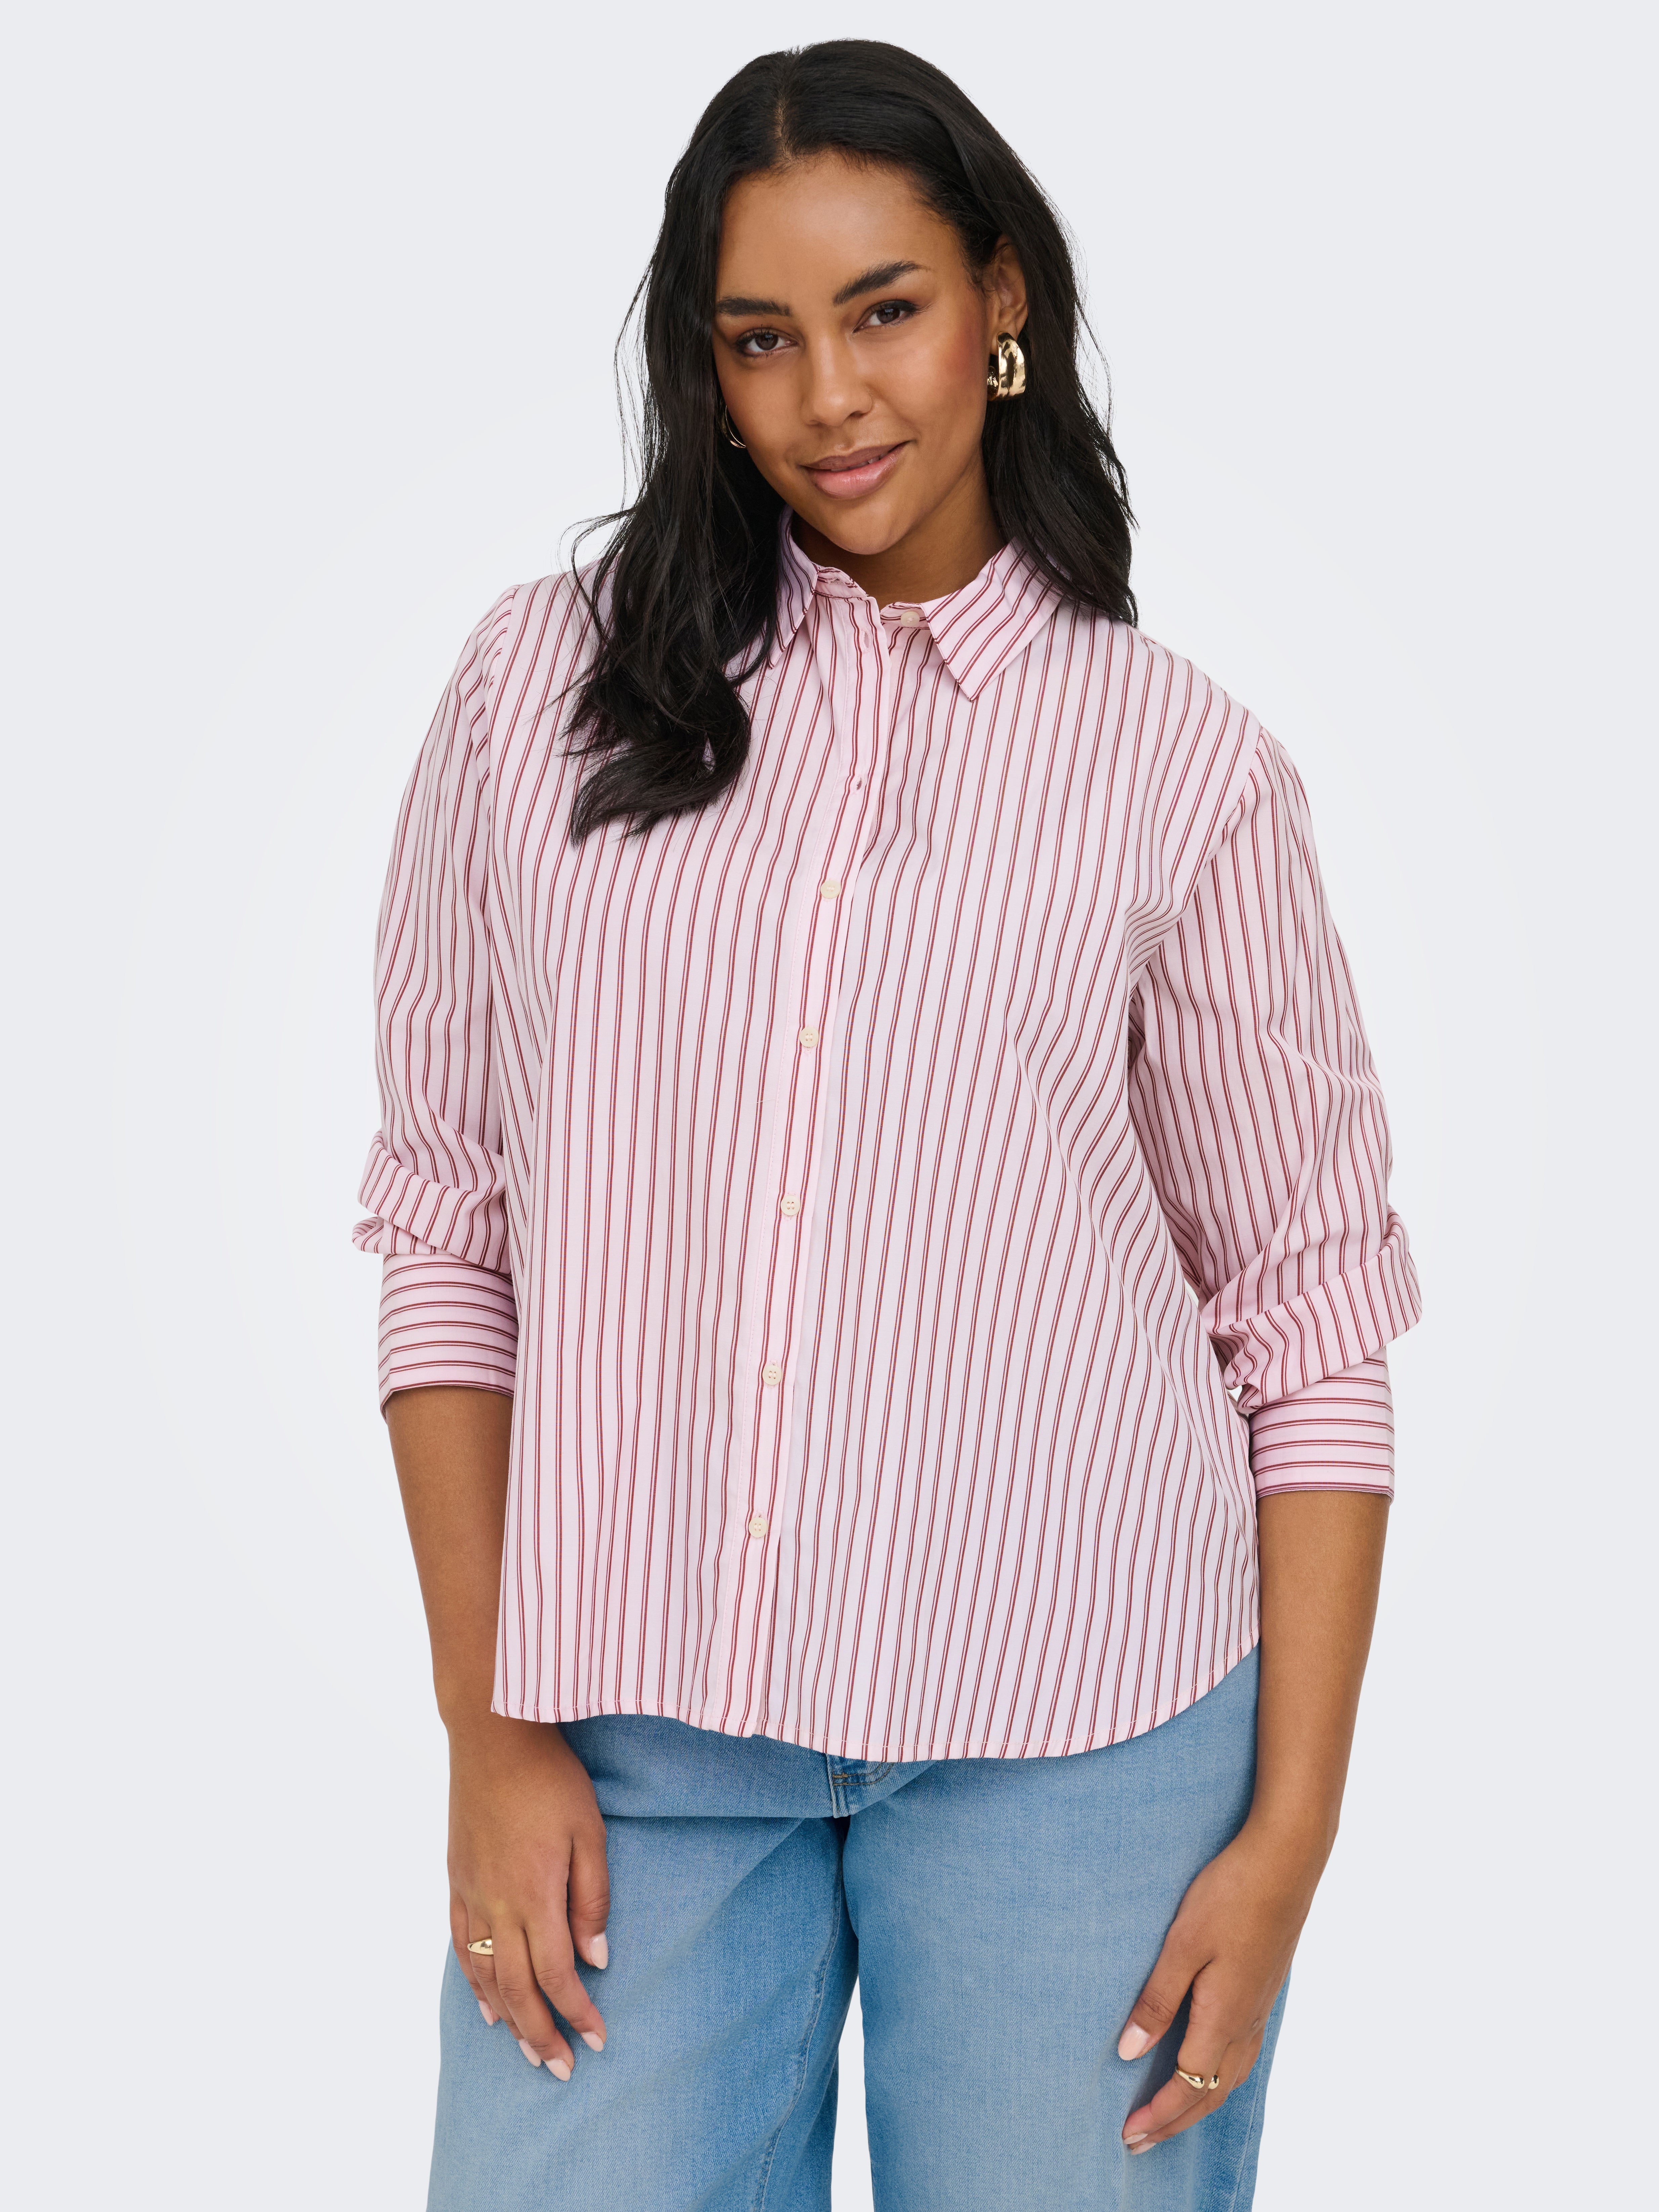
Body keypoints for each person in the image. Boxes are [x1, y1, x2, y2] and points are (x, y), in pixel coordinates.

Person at [354, 39, 1420, 2212]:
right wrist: (488, 1728)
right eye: (762, 338)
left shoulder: (1180, 770)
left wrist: (1290, 1835)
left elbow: (1306, 1321)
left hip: (1086, 1736)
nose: (830, 397)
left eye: (887, 310)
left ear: (1000, 303)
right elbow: (452, 1223)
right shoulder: (535, 693)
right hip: (633, 1739)